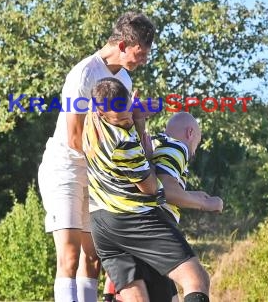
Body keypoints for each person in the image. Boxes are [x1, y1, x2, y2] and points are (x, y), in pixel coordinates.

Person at [37, 11, 156, 302]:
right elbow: (76, 138)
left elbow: (121, 133)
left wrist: (138, 120)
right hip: (66, 168)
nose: (144, 60)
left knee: (93, 257)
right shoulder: (84, 74)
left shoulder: (124, 81)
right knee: (69, 255)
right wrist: (110, 169)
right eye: (141, 53)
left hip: (97, 172)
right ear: (123, 46)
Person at [83, 77, 212, 302]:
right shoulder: (124, 144)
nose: (126, 122)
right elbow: (151, 188)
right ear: (102, 113)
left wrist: (139, 120)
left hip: (101, 225)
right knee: (196, 279)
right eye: (121, 120)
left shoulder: (91, 120)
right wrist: (200, 200)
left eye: (127, 115)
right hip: (133, 217)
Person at [101, 112, 224, 302]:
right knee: (197, 279)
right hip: (151, 225)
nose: (194, 151)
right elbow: (166, 189)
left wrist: (195, 195)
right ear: (190, 133)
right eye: (197, 145)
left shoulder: (155, 145)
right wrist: (206, 203)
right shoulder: (177, 147)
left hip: (113, 220)